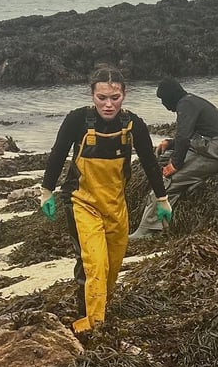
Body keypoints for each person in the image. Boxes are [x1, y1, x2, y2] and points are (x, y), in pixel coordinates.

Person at [40, 65, 171, 334]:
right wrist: (46, 191)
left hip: (115, 204)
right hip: (80, 202)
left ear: (124, 95)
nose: (108, 105)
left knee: (111, 267)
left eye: (115, 97)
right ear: (92, 96)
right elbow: (58, 154)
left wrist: (162, 198)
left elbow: (149, 162)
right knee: (93, 263)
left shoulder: (133, 124)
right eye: (102, 98)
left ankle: (99, 311)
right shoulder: (77, 120)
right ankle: (89, 323)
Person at [131, 77, 218, 239]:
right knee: (163, 159)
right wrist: (170, 143)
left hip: (214, 153)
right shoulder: (190, 101)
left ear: (171, 96)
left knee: (170, 181)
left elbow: (184, 137)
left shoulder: (185, 104)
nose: (163, 104)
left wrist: (175, 165)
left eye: (163, 99)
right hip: (208, 146)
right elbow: (190, 134)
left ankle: (149, 229)